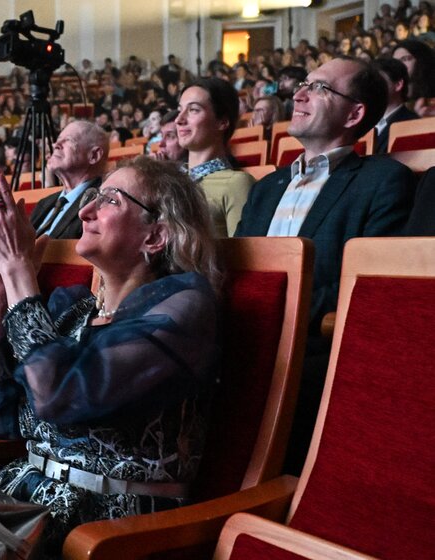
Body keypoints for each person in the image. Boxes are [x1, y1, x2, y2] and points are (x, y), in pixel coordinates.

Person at [0, 158, 221, 553]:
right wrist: (0, 294)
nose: (84, 211)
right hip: (24, 500)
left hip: (109, 530)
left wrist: (18, 271)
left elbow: (56, 397)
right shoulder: (75, 309)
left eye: (110, 200)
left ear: (155, 236)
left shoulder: (183, 309)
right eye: (91, 197)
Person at [235, 57, 415, 473]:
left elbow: (363, 287)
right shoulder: (266, 188)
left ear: (355, 113)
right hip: (243, 339)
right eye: (303, 84)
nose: (299, 94)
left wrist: (278, 316)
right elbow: (238, 270)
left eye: (319, 88)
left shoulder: (382, 180)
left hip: (310, 350)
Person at [176, 77, 254, 237]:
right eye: (180, 110)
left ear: (222, 122)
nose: (179, 120)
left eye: (193, 110)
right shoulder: (173, 181)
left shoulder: (237, 183)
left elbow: (244, 257)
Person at [30, 121, 109, 239]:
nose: (55, 145)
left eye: (69, 140)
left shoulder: (101, 206)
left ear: (94, 156)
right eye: (58, 139)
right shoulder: (45, 203)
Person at [373, 58, 420, 153]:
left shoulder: (414, 125)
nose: (371, 86)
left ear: (398, 84)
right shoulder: (364, 122)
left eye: (377, 80)